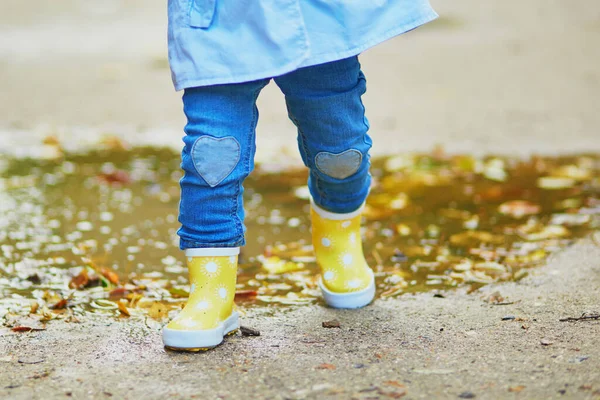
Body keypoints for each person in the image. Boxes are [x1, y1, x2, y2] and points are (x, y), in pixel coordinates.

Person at [162, 0, 438, 350]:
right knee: (212, 155)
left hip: (318, 19)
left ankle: (339, 246)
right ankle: (211, 293)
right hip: (220, 22)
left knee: (340, 151)